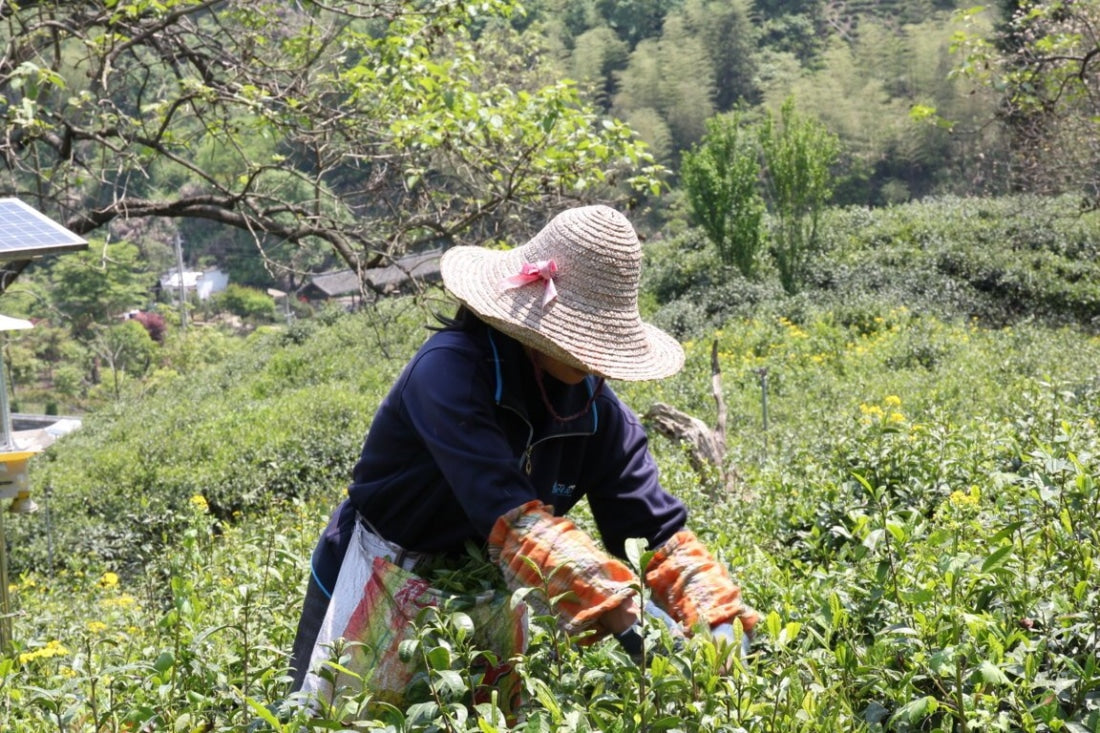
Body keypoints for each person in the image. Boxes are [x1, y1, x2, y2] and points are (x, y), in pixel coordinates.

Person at [286, 204, 758, 704]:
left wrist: (714, 615)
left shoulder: (599, 413)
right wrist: (618, 608)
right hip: (379, 571)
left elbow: (654, 529)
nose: (593, 358)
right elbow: (510, 515)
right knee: (331, 712)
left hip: (492, 590)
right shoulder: (450, 371)